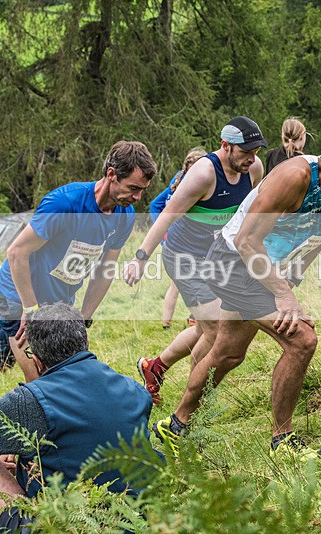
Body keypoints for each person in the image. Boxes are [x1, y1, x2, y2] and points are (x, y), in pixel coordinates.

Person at [155, 118, 321, 460]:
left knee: (228, 353)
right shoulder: (295, 177)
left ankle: (176, 426)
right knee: (302, 340)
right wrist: (283, 294)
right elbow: (246, 241)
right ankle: (282, 441)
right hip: (232, 262)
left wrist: (292, 278)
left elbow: (319, 234)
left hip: (262, 269)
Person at [0, 303, 159, 532]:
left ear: (36, 360)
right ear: (86, 343)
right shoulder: (135, 389)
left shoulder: (31, 401)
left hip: (68, 525)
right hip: (140, 518)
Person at [125, 117, 266, 404]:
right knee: (216, 329)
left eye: (255, 152)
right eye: (245, 152)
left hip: (219, 257)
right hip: (184, 256)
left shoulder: (254, 169)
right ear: (225, 146)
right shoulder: (204, 173)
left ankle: (155, 368)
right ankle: (194, 402)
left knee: (203, 329)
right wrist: (140, 257)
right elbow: (167, 215)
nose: (251, 158)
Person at [0, 141, 156, 382]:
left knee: (64, 365)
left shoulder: (125, 216)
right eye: (133, 188)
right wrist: (31, 312)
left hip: (58, 300)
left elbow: (105, 269)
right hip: (17, 294)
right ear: (111, 174)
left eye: (142, 190)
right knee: (40, 378)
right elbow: (16, 252)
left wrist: (83, 318)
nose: (138, 197)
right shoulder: (65, 203)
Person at [149, 147, 208, 328]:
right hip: (181, 242)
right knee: (188, 282)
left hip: (182, 241)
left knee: (180, 283)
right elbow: (155, 205)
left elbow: (155, 205)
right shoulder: (183, 186)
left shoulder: (181, 181)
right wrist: (163, 232)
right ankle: (192, 318)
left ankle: (169, 322)